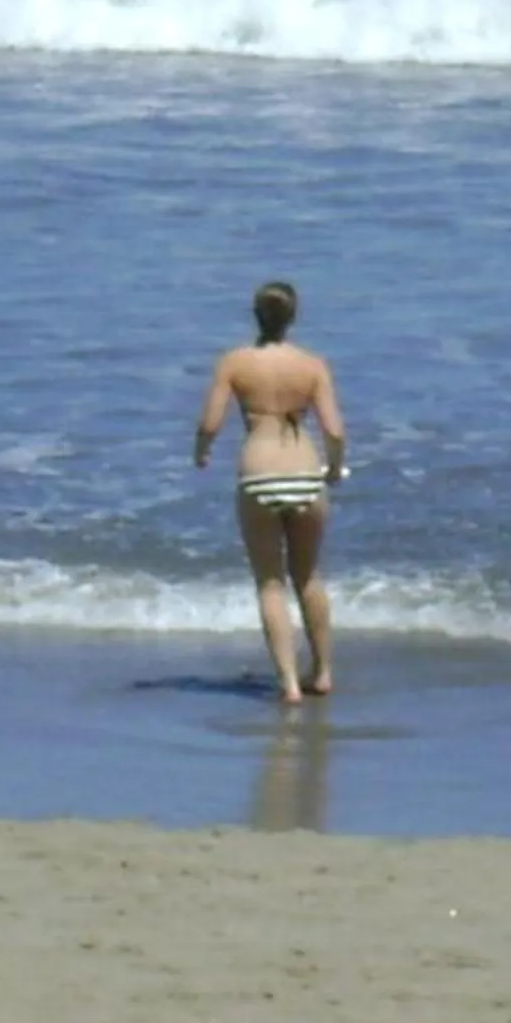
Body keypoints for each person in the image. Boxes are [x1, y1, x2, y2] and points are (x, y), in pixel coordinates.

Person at [193, 279, 348, 704]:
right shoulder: (312, 365)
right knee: (308, 576)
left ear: (255, 315)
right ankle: (322, 672)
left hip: (259, 474)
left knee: (270, 581)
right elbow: (334, 430)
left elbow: (209, 423)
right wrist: (334, 467)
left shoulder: (235, 362)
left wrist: (201, 453)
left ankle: (289, 683)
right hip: (304, 472)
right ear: (293, 317)